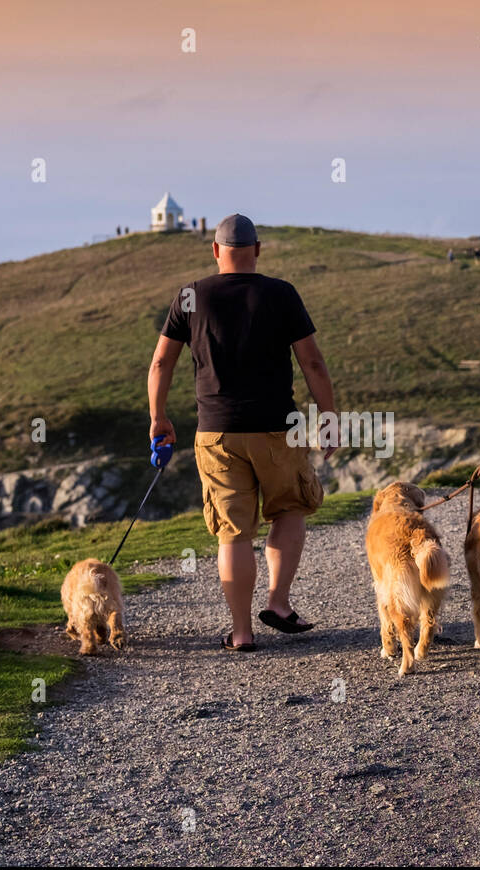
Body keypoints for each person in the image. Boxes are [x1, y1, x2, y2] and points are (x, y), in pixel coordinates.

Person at [149, 213, 338, 651]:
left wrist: (159, 417)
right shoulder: (281, 293)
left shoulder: (190, 296)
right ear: (258, 250)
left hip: (216, 433)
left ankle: (241, 633)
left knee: (233, 533)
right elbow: (312, 362)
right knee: (291, 507)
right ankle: (278, 601)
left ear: (215, 251)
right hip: (276, 428)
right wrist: (328, 416)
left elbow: (162, 363)